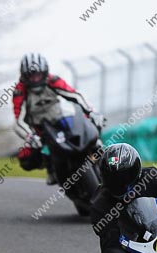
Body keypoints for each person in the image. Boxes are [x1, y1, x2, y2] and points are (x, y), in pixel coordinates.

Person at [13, 53, 104, 185]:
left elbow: (74, 95)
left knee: (89, 131)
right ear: (24, 76)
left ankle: (101, 154)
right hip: (39, 127)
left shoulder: (52, 80)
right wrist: (30, 136)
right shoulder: (19, 90)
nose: (35, 80)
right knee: (28, 156)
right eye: (31, 76)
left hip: (59, 117)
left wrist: (92, 112)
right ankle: (51, 167)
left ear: (44, 72)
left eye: (38, 75)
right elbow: (18, 120)